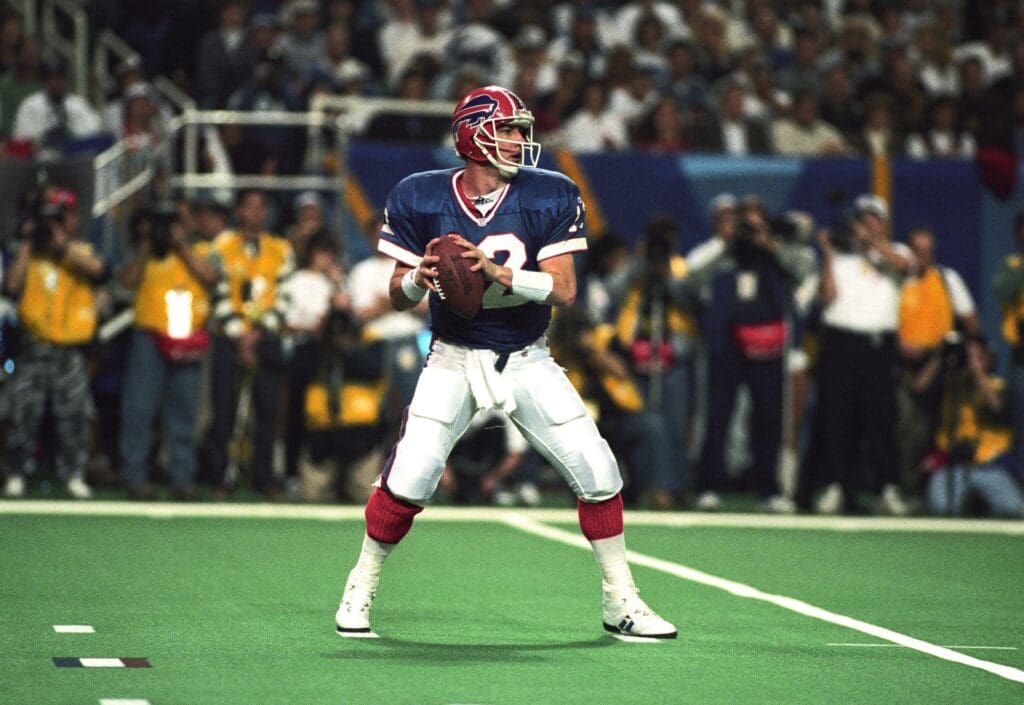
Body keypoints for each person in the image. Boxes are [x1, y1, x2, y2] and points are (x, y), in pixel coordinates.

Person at [335, 85, 676, 640]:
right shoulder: (420, 195)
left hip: (526, 357)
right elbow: (396, 294)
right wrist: (419, 277)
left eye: (521, 129)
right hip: (452, 357)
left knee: (598, 470)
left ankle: (622, 601)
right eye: (508, 129)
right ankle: (361, 583)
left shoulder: (549, 193)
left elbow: (564, 289)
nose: (519, 139)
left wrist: (498, 274)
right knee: (411, 476)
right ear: (472, 136)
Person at [2, 187, 107, 499]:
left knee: (73, 415)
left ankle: (73, 472)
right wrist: (29, 240)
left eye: (61, 217)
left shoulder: (81, 250)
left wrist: (60, 244)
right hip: (33, 346)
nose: (57, 223)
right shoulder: (30, 252)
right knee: (24, 413)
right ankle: (17, 471)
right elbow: (11, 285)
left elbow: (99, 272)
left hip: (70, 348)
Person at [117, 203, 218, 500]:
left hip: (188, 337)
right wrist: (147, 243)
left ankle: (182, 478)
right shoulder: (147, 251)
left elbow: (211, 277)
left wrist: (181, 245)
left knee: (184, 411)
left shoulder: (202, 249)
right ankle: (135, 476)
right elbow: (126, 281)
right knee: (139, 409)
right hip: (150, 335)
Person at [924, 336, 1023, 518]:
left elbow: (1000, 410)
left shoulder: (997, 386)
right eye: (966, 356)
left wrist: (978, 373)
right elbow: (919, 389)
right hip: (955, 468)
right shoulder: (951, 387)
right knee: (940, 509)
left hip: (991, 467)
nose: (969, 361)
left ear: (987, 359)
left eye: (975, 356)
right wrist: (940, 358)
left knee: (1014, 510)